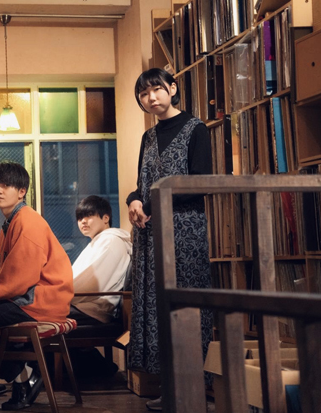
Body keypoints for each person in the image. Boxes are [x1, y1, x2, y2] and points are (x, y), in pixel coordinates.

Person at [126, 68, 213, 412]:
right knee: (157, 307)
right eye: (143, 94)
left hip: (185, 231)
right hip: (150, 235)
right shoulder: (148, 137)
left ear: (172, 88)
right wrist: (134, 201)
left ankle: (191, 388)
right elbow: (141, 184)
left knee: (186, 307)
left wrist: (150, 203)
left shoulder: (196, 128)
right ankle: (169, 387)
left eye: (157, 90)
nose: (151, 98)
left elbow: (200, 182)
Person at [0, 161, 74, 411]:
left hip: (40, 301)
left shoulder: (27, 221)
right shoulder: (12, 222)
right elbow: (7, 274)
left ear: (21, 191)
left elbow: (20, 278)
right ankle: (22, 376)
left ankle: (21, 374)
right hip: (31, 298)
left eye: (6, 185)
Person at [70, 195, 132, 326]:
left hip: (92, 309)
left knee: (33, 313)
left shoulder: (110, 241)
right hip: (84, 305)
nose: (83, 221)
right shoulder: (99, 241)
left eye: (89, 216)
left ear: (106, 218)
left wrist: (56, 296)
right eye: (80, 218)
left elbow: (89, 284)